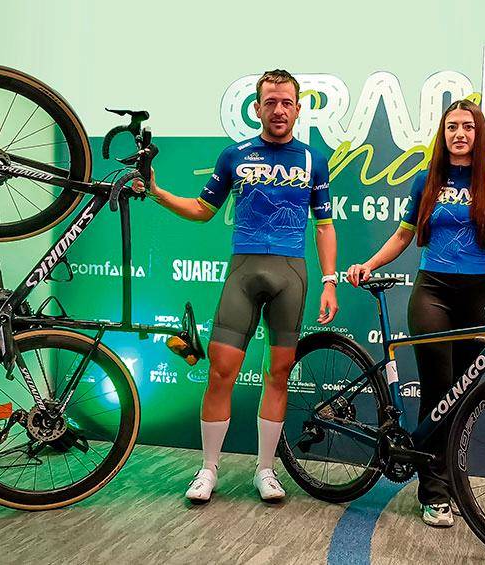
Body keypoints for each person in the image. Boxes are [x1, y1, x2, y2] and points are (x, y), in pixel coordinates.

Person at [347, 99, 485, 527]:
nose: (459, 133)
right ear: (442, 134)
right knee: (438, 391)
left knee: (461, 398)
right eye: (451, 127)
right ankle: (434, 494)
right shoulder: (425, 181)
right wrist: (369, 264)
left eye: (467, 126)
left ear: (478, 134)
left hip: (477, 296)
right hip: (432, 293)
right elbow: (403, 235)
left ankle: (448, 482)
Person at [134, 69, 339, 503]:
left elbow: (324, 225)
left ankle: (265, 470)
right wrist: (156, 192)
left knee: (279, 374)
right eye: (271, 102)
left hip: (291, 274)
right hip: (244, 271)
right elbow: (202, 209)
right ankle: (208, 469)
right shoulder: (234, 155)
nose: (279, 110)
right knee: (220, 371)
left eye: (287, 102)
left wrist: (329, 281)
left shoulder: (313, 160)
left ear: (298, 109)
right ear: (257, 108)